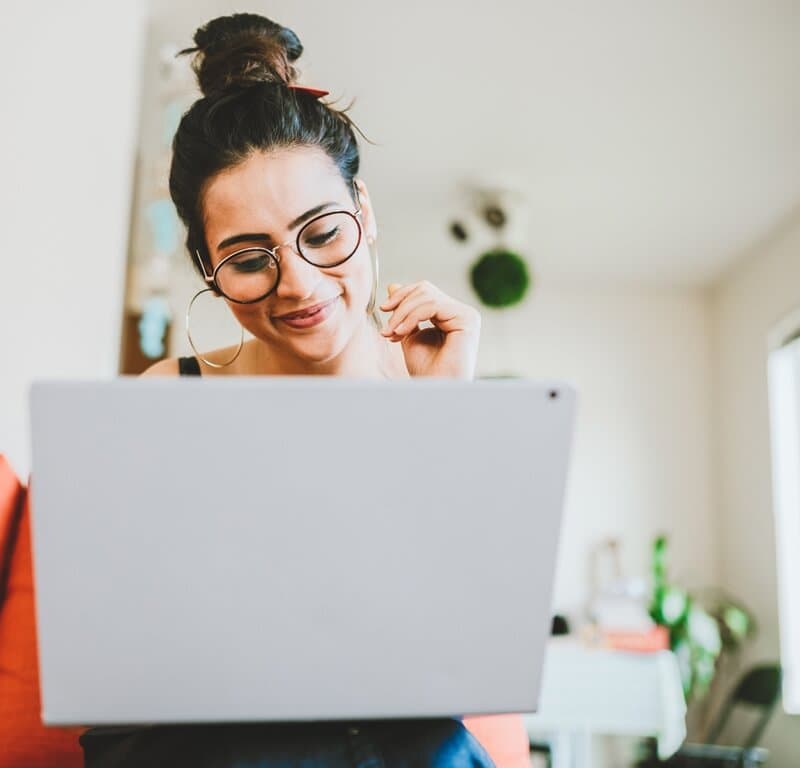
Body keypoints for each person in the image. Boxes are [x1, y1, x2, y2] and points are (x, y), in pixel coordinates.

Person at [82, 13, 507, 767]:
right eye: (250, 257)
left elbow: (463, 652)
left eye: (322, 234)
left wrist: (442, 420)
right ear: (207, 267)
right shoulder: (169, 395)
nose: (300, 285)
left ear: (365, 212)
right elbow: (125, 647)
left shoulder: (432, 384)